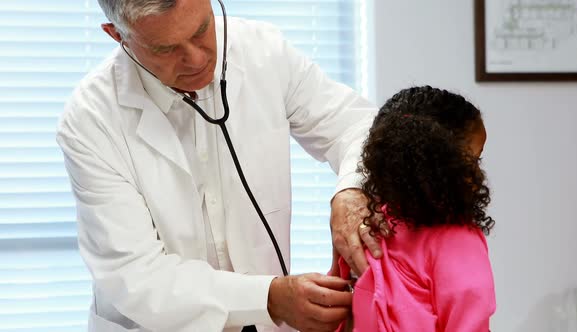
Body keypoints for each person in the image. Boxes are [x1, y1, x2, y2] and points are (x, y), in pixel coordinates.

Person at [56, 0, 381, 331]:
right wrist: (269, 298)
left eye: (201, 29)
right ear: (117, 36)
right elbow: (137, 275)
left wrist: (352, 188)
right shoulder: (91, 120)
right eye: (166, 49)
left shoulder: (263, 52)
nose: (197, 59)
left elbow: (358, 126)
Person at [337, 86, 496, 331]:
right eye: (474, 159)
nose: (479, 173)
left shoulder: (364, 228)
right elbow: (469, 320)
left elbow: (339, 314)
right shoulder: (458, 240)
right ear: (445, 167)